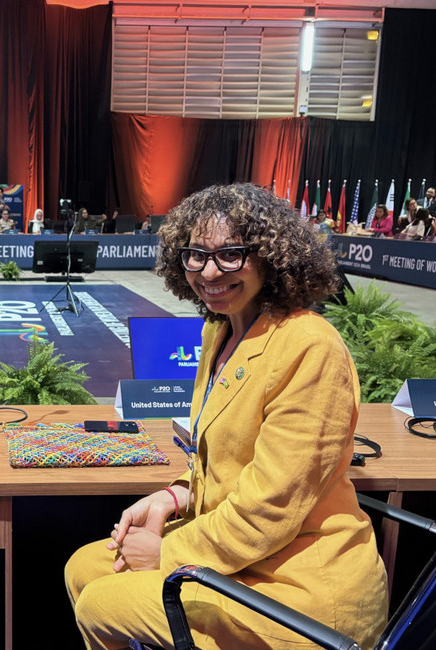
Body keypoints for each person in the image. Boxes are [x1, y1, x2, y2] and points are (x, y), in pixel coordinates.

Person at [65, 183, 387, 649]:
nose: (209, 271)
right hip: (242, 556)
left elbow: (269, 510)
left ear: (271, 257)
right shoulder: (221, 330)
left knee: (102, 604)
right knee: (82, 568)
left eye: (230, 255)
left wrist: (167, 552)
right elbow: (218, 459)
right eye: (195, 254)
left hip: (300, 588)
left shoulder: (310, 346)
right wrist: (171, 498)